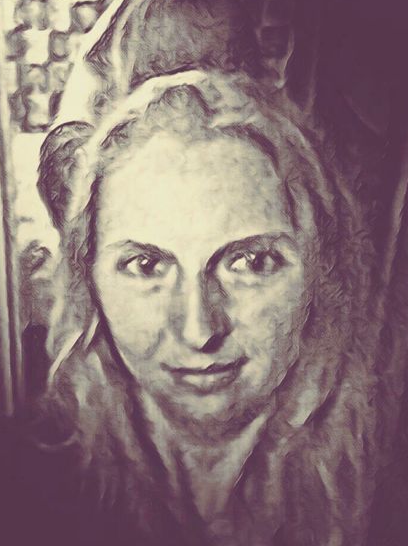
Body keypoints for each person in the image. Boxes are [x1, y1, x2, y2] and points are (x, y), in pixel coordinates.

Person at [32, 69, 380, 545]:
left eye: (251, 262)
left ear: (321, 277)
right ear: (87, 282)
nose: (198, 330)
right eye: (146, 265)